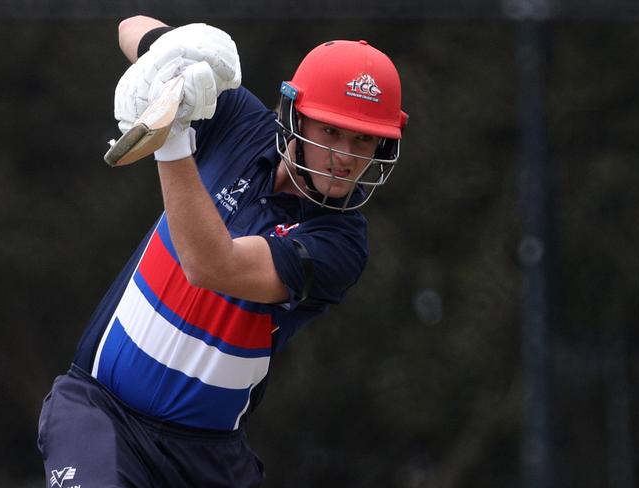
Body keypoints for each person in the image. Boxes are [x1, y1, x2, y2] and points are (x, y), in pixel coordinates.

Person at [37, 15, 407, 488]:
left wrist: (169, 139)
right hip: (99, 412)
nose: (346, 157)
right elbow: (132, 27)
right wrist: (169, 64)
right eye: (331, 131)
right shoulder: (237, 120)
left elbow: (210, 265)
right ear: (294, 116)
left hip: (208, 456)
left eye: (364, 139)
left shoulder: (341, 243)